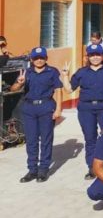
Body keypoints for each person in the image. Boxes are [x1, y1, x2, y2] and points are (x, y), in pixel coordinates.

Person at [62, 44, 103, 179]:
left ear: (102, 56)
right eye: (92, 55)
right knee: (90, 139)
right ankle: (93, 168)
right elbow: (68, 89)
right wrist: (65, 75)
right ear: (88, 57)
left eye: (97, 55)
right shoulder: (81, 72)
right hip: (86, 109)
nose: (95, 57)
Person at [9, 46, 62, 182]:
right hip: (29, 108)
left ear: (46, 58)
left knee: (46, 139)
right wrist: (19, 83)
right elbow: (13, 88)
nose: (39, 60)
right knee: (31, 140)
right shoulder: (26, 72)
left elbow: (58, 90)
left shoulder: (52, 72)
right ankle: (32, 170)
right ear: (32, 59)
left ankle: (43, 169)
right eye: (36, 58)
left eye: (41, 57)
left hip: (46, 106)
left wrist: (58, 109)